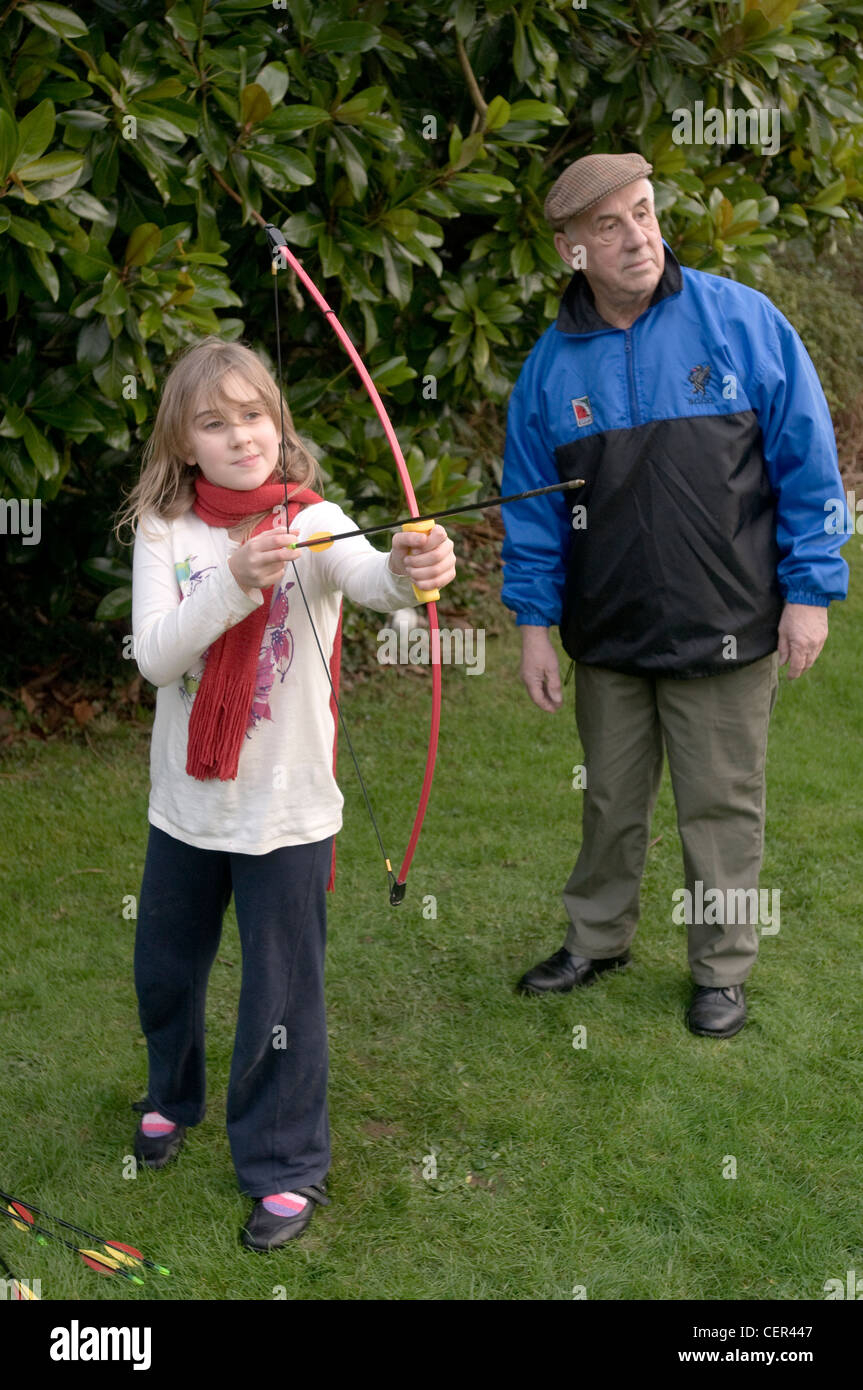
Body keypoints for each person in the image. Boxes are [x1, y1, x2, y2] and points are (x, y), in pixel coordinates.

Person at [501, 152, 849, 1037]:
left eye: (645, 214)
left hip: (728, 622)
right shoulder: (547, 371)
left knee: (718, 803)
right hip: (607, 630)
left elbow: (808, 468)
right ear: (570, 249)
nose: (637, 238)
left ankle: (720, 969)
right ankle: (596, 939)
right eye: (609, 225)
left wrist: (809, 590)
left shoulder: (741, 322)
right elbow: (534, 518)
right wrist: (534, 626)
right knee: (610, 799)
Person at [117, 338, 455, 1249]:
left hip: (288, 811)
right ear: (184, 444)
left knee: (281, 994)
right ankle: (171, 1094)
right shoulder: (167, 531)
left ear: (279, 422)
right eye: (215, 423)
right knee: (164, 968)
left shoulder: (313, 520)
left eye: (254, 414)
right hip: (186, 807)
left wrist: (413, 567)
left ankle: (283, 1164)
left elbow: (375, 580)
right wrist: (232, 580)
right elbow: (155, 656)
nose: (240, 436)